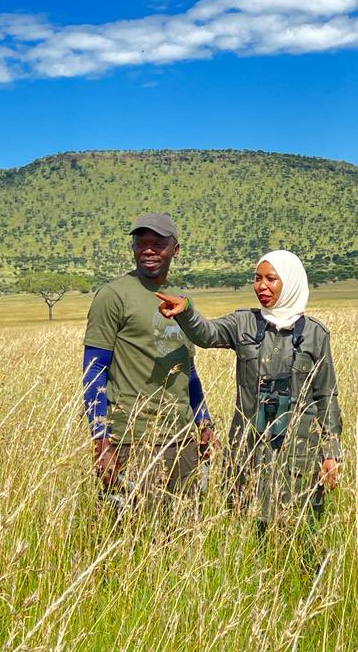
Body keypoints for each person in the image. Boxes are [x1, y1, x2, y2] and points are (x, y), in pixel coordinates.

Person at [156, 250, 342, 529]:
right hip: (249, 449)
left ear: (290, 282)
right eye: (257, 278)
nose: (261, 286)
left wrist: (331, 453)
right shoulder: (243, 323)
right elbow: (207, 334)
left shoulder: (315, 334)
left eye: (271, 279)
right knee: (247, 526)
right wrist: (187, 312)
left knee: (301, 530)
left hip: (298, 453)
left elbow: (326, 395)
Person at [82, 213, 214, 510]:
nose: (148, 250)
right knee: (133, 539)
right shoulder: (114, 295)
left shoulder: (179, 299)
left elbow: (188, 370)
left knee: (184, 533)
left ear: (175, 249)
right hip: (133, 438)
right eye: (141, 243)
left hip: (181, 438)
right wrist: (101, 439)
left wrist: (203, 422)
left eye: (158, 243)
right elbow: (94, 370)